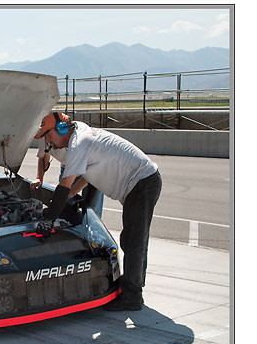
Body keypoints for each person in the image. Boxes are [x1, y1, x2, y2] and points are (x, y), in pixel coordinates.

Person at [34, 112, 162, 311]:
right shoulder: (79, 135)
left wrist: (49, 218)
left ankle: (132, 296)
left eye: (48, 135)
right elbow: (88, 174)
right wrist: (72, 196)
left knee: (134, 241)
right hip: (141, 183)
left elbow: (64, 185)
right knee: (132, 239)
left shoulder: (79, 143)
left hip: (142, 182)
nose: (47, 140)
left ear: (60, 129)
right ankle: (132, 286)